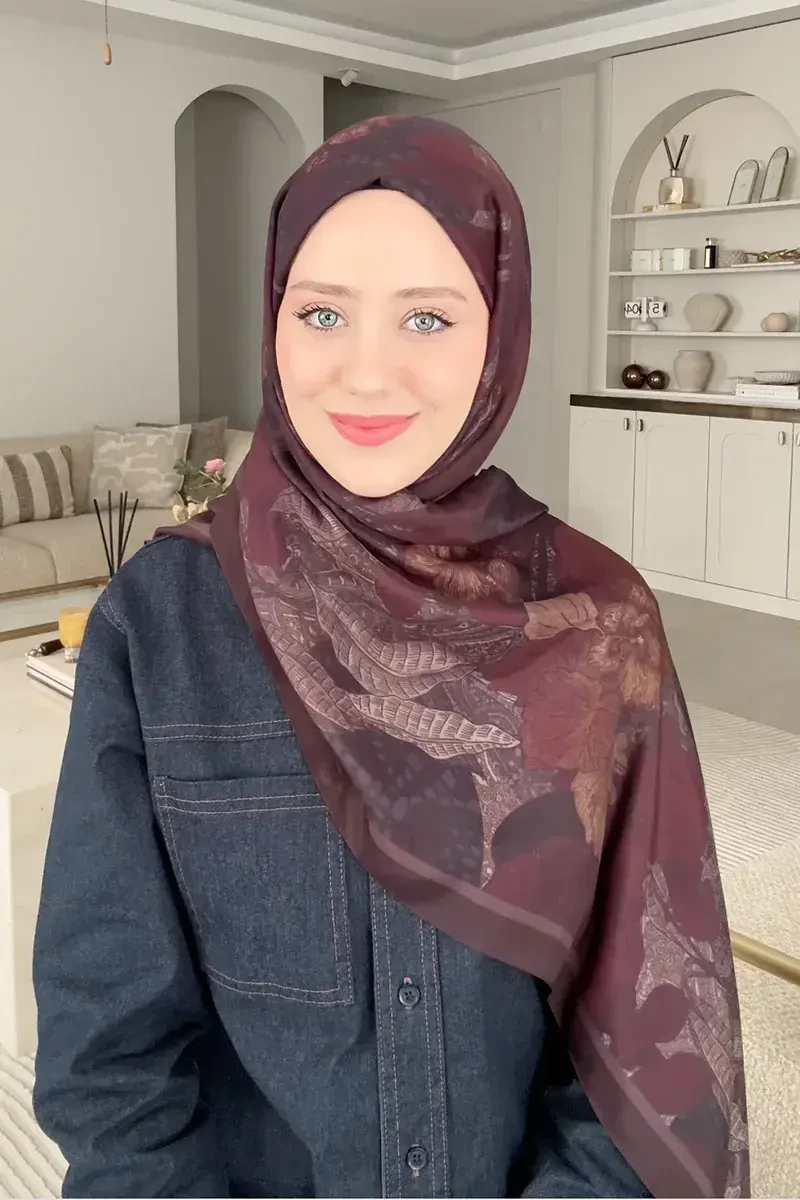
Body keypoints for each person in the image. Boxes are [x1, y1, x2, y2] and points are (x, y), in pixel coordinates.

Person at [33, 115, 748, 1199]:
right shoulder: (159, 621)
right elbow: (109, 1050)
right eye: (322, 312)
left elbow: (650, 1039)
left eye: (427, 316)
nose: (366, 374)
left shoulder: (597, 623)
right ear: (274, 320)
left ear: (499, 333)